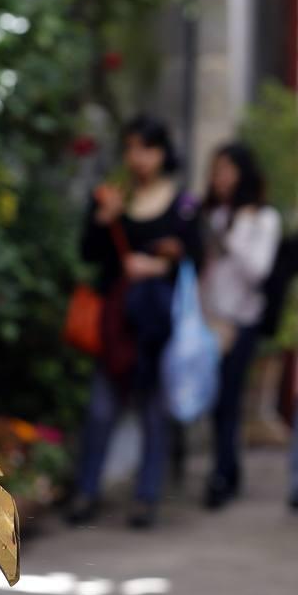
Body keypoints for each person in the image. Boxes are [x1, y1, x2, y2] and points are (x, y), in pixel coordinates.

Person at [69, 115, 202, 529]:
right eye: (131, 148)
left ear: (162, 153)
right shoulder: (114, 195)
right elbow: (89, 253)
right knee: (101, 409)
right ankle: (86, 491)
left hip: (156, 325)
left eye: (145, 148)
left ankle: (146, 498)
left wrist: (159, 266)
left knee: (152, 410)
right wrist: (104, 219)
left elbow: (197, 257)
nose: (138, 158)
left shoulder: (182, 203)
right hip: (116, 321)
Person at [200, 143, 282, 509]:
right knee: (215, 401)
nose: (220, 179)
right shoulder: (210, 213)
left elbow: (258, 271)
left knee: (229, 399)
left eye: (227, 171)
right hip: (207, 320)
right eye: (216, 171)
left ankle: (222, 475)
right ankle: (227, 470)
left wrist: (232, 232)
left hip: (243, 321)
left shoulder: (263, 219)